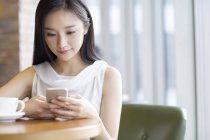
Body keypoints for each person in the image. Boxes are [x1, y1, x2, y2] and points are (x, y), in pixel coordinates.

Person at [0, 0, 122, 140]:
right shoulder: (34, 74)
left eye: (70, 32)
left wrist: (93, 116)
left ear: (86, 27)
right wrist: (24, 108)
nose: (61, 44)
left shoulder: (107, 76)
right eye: (51, 34)